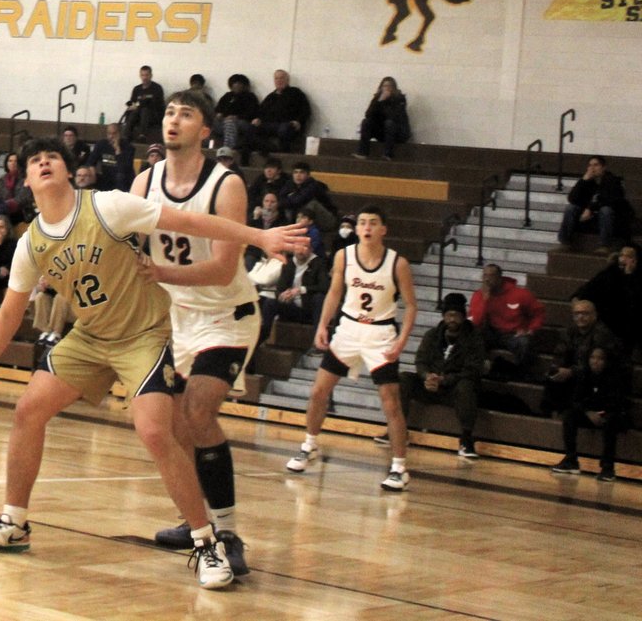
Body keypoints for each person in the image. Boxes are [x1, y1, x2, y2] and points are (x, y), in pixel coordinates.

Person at [0, 136, 306, 587]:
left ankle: (207, 543)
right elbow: (8, 313)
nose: (44, 164)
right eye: (35, 161)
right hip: (90, 338)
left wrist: (258, 236)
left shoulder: (108, 206)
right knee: (28, 411)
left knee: (155, 431)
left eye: (52, 158)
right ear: (25, 179)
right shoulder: (31, 243)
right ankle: (14, 523)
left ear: (68, 169)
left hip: (143, 335)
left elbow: (189, 221)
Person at [137, 91, 258, 574]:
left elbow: (224, 269)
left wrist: (160, 273)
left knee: (198, 412)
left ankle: (227, 531)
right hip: (174, 317)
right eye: (169, 112)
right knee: (174, 426)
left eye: (186, 114)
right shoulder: (145, 181)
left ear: (205, 131)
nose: (174, 119)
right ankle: (196, 522)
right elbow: (128, 247)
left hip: (226, 315)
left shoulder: (226, 184)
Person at [284, 206, 418, 491]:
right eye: (362, 223)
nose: (367, 227)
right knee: (318, 392)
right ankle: (309, 446)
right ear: (356, 229)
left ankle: (399, 467)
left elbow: (411, 306)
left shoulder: (398, 264)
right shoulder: (344, 256)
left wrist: (401, 341)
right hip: (348, 329)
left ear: (383, 229)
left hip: (381, 333)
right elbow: (334, 292)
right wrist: (323, 325)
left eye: (373, 222)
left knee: (391, 403)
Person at [402, 292, 487, 458]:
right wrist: (427, 376)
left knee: (466, 386)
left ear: (463, 316)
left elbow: (472, 369)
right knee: (403, 379)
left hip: (454, 388)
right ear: (443, 316)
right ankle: (398, 430)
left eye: (456, 315)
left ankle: (466, 440)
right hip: (431, 385)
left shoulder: (474, 338)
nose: (452, 319)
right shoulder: (432, 335)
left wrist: (444, 380)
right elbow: (421, 361)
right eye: (449, 315)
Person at [551, 346, 629, 481]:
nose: (595, 361)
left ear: (606, 361)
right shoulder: (584, 375)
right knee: (570, 416)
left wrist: (601, 413)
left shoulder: (614, 378)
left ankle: (608, 468)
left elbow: (617, 403)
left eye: (600, 358)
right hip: (590, 414)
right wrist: (588, 412)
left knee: (611, 422)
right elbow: (576, 400)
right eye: (593, 357)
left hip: (611, 415)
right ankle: (571, 460)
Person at [542, 299, 621, 416]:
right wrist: (557, 369)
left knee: (580, 381)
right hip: (575, 372)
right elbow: (560, 353)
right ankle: (553, 415)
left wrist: (571, 371)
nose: (580, 317)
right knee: (553, 377)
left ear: (594, 315)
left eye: (585, 313)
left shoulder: (602, 334)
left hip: (595, 376)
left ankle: (571, 414)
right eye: (577, 314)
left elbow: (596, 363)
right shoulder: (570, 331)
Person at [468, 263, 545, 376]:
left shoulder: (520, 294)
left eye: (491, 276)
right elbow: (475, 322)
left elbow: (538, 313)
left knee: (524, 342)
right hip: (492, 332)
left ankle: (522, 373)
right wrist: (485, 300)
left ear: (500, 277)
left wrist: (531, 330)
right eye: (485, 276)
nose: (487, 279)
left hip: (514, 334)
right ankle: (479, 368)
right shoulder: (479, 295)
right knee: (472, 336)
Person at [573, 244, 641, 353]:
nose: (623, 259)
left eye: (628, 256)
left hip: (628, 325)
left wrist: (628, 275)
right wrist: (577, 300)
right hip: (605, 322)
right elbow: (586, 289)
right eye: (621, 255)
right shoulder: (610, 272)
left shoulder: (637, 277)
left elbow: (632, 302)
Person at [557, 156, 633, 252]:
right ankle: (565, 242)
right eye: (590, 165)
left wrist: (590, 209)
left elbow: (609, 200)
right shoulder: (587, 182)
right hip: (589, 217)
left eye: (596, 165)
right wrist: (583, 181)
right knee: (570, 208)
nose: (592, 168)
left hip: (609, 216)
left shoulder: (612, 180)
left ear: (603, 167)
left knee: (606, 210)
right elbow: (572, 199)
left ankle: (605, 245)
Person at [248, 69, 310, 160]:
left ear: (287, 80)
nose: (279, 80)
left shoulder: (296, 93)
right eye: (276, 78)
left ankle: (282, 155)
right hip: (269, 124)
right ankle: (268, 149)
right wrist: (258, 119)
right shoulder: (270, 96)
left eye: (281, 78)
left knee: (284, 129)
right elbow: (261, 112)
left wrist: (298, 121)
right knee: (251, 128)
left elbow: (305, 110)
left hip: (287, 124)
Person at [353, 76, 411, 160]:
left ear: (394, 88)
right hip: (382, 132)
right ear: (381, 87)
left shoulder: (400, 99)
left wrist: (387, 101)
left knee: (389, 123)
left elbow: (394, 117)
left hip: (397, 132)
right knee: (366, 122)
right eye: (385, 86)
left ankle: (387, 154)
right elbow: (368, 114)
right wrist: (379, 101)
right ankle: (362, 153)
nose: (387, 88)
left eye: (389, 86)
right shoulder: (377, 98)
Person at [213, 75, 258, 152]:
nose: (236, 85)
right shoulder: (227, 96)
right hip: (224, 121)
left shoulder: (250, 96)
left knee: (230, 122)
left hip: (242, 122)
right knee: (206, 120)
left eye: (239, 83)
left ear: (244, 85)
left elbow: (252, 113)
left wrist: (236, 117)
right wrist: (219, 114)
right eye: (234, 83)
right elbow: (218, 109)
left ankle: (228, 150)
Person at [124, 66, 164, 142]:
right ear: (140, 76)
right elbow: (132, 102)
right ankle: (126, 136)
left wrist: (139, 104)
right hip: (137, 115)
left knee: (145, 110)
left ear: (151, 75)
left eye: (146, 75)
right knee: (134, 112)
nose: (144, 77)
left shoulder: (157, 88)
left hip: (153, 116)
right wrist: (132, 105)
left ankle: (142, 135)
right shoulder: (137, 89)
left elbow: (156, 104)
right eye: (142, 75)